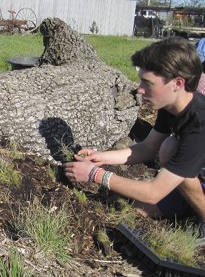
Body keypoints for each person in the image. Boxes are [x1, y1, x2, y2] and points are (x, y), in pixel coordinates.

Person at [64, 36, 205, 244]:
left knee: (169, 149)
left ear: (177, 83)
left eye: (148, 83)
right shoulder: (172, 106)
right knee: (138, 210)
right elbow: (147, 148)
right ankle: (188, 208)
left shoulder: (199, 125)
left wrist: (95, 174)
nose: (139, 89)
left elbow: (153, 192)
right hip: (195, 178)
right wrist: (101, 157)